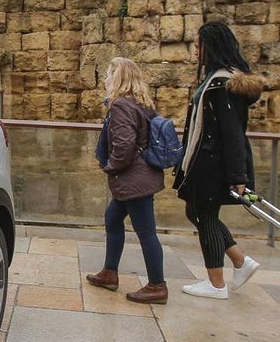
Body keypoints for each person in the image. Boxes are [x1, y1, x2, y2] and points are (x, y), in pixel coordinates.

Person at [173, 22, 265, 299]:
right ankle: (240, 261)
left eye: (199, 45)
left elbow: (232, 133)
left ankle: (216, 284)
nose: (195, 50)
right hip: (204, 162)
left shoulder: (222, 84)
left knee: (205, 216)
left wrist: (238, 177)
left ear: (211, 47)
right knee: (196, 212)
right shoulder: (215, 79)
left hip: (212, 164)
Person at [86, 56, 167, 304]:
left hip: (134, 180)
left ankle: (157, 286)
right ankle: (109, 273)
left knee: (146, 232)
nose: (105, 79)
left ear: (118, 77)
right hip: (140, 176)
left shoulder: (121, 105)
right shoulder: (141, 103)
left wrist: (111, 167)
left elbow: (124, 146)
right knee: (113, 218)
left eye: (108, 74)